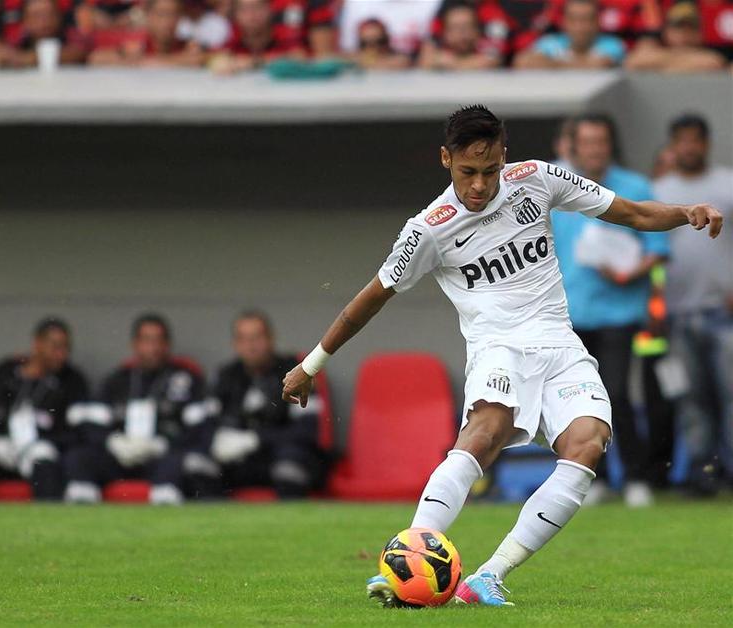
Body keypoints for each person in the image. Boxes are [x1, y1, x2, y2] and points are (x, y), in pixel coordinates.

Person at [280, 104, 722, 606]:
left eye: (490, 171)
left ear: (504, 157)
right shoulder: (429, 229)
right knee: (484, 433)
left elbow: (633, 213)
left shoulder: (537, 178)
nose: (480, 185)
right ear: (446, 159)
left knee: (588, 444)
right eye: (468, 171)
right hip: (499, 347)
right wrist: (311, 365)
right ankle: (405, 562)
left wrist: (686, 213)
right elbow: (369, 299)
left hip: (559, 344)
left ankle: (488, 576)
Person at [551, 114, 671, 507]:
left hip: (620, 312)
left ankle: (635, 477)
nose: (595, 149)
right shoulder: (555, 186)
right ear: (573, 145)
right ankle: (595, 479)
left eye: (601, 141)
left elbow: (658, 249)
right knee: (577, 401)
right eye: (587, 142)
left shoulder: (634, 186)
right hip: (569, 314)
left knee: (617, 394)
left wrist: (631, 272)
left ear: (611, 144)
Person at [653, 113, 733, 495]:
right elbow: (649, 250)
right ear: (673, 145)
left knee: (731, 394)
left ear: (706, 143)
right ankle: (703, 471)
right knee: (691, 398)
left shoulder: (727, 184)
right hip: (677, 314)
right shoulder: (659, 189)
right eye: (681, 140)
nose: (689, 147)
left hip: (725, 313)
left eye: (695, 140)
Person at [63, 314, 215, 505]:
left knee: (177, 463)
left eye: (158, 341)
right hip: (121, 456)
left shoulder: (186, 380)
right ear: (135, 344)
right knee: (79, 457)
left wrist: (163, 444)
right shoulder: (118, 380)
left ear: (167, 345)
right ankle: (83, 511)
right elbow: (92, 424)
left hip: (161, 457)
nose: (153, 348)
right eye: (147, 340)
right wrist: (113, 442)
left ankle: (166, 513)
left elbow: (200, 429)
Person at [0, 318, 89, 500]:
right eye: (55, 347)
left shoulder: (72, 381)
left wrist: (36, 441)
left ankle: (48, 517)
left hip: (38, 450)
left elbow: (75, 434)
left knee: (44, 457)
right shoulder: (4, 372)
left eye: (66, 348)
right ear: (37, 343)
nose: (61, 354)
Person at [209, 311, 328, 498]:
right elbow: (207, 423)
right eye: (244, 339)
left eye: (257, 338)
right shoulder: (226, 376)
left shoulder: (296, 372)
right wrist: (218, 440)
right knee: (199, 463)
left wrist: (255, 439)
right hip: (239, 463)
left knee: (291, 465)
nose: (251, 346)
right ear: (235, 344)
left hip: (282, 456)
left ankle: (291, 517)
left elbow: (306, 431)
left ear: (271, 339)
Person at [514, 0, 626, 69]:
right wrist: (581, 64)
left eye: (586, 20)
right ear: (564, 22)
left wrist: (550, 64)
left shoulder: (613, 44)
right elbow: (522, 62)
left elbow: (600, 65)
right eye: (573, 20)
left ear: (597, 22)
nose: (579, 26)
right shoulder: (550, 42)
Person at [88, 0, 203, 67]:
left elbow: (199, 59)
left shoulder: (188, 46)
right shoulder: (135, 44)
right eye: (162, 14)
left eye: (173, 14)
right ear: (148, 15)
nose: (168, 21)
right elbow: (95, 58)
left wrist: (142, 62)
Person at [625, 2, 727, 72]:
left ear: (700, 34)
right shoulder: (650, 50)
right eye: (678, 27)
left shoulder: (712, 58)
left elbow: (712, 63)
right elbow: (633, 62)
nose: (685, 34)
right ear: (666, 32)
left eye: (691, 28)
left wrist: (662, 66)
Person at [209, 0, 304, 73]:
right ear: (235, 14)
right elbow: (213, 56)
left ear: (270, 9)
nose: (252, 14)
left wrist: (254, 62)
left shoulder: (283, 34)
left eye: (258, 7)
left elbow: (299, 57)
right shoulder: (233, 38)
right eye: (244, 9)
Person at [0, 0, 86, 68]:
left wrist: (27, 59)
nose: (44, 22)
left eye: (49, 15)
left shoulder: (69, 35)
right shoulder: (17, 40)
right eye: (36, 16)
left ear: (59, 17)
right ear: (25, 21)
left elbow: (80, 51)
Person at [420, 1, 501, 70]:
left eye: (468, 26)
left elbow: (493, 60)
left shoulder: (491, 12)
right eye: (455, 27)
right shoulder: (437, 43)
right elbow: (425, 62)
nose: (462, 33)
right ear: (445, 32)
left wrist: (455, 64)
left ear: (477, 31)